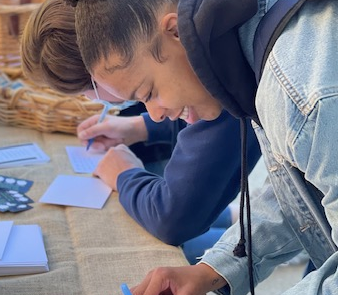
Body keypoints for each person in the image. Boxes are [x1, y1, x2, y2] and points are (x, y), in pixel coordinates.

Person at [67, 0, 338, 294]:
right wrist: (212, 271)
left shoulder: (300, 99)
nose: (155, 114)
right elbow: (304, 189)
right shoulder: (252, 47)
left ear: (176, 32)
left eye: (149, 92)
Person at [20, 0, 262, 264]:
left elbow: (173, 218)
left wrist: (125, 175)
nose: (156, 114)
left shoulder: (230, 79)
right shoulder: (208, 58)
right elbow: (194, 99)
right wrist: (142, 126)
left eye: (147, 92)